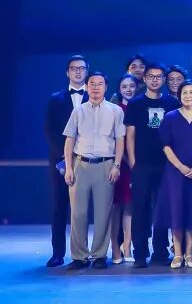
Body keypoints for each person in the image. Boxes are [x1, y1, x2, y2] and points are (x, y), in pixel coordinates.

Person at [63, 70, 126, 269]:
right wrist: (68, 168)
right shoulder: (78, 111)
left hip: (105, 165)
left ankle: (99, 255)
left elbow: (120, 140)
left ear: (106, 87)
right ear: (87, 87)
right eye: (92, 84)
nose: (96, 88)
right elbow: (69, 140)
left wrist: (117, 165)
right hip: (80, 164)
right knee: (78, 213)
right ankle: (79, 256)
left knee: (103, 213)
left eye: (100, 84)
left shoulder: (116, 111)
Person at [124, 62, 181, 267]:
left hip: (166, 165)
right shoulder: (136, 103)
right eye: (151, 76)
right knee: (140, 208)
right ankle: (140, 253)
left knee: (163, 208)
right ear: (145, 78)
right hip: (142, 164)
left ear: (164, 80)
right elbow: (130, 135)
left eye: (159, 77)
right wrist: (133, 163)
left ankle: (160, 251)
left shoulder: (172, 103)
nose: (155, 80)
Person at [159, 80, 192, 269]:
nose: (188, 96)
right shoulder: (170, 117)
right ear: (179, 95)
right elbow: (166, 146)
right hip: (175, 173)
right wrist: (181, 167)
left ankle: (189, 253)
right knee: (176, 211)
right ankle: (177, 253)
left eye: (191, 92)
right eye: (184, 92)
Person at [45, 55, 88, 267]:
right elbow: (49, 130)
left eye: (81, 68)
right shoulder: (56, 99)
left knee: (86, 209)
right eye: (73, 68)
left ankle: (86, 253)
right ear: (67, 72)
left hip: (88, 159)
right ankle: (58, 253)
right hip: (61, 162)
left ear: (87, 71)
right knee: (59, 206)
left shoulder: (95, 95)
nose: (78, 72)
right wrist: (65, 155)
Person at [109, 73, 137, 264]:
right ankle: (114, 248)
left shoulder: (139, 107)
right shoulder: (115, 110)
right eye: (124, 86)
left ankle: (127, 246)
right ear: (119, 89)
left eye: (132, 86)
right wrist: (125, 160)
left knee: (130, 206)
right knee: (116, 206)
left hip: (136, 163)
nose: (128, 89)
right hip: (118, 162)